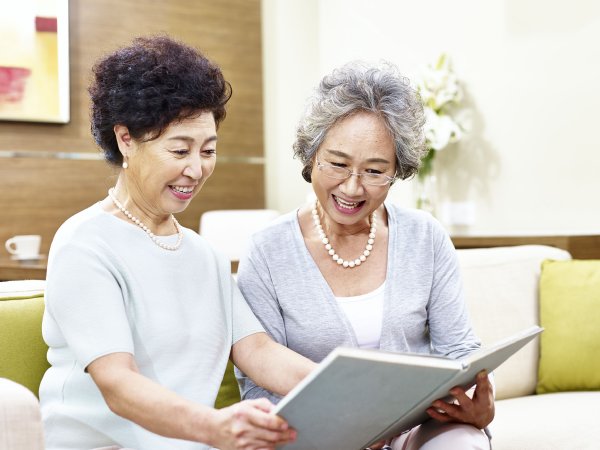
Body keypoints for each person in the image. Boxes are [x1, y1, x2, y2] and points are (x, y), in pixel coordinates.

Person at [39, 35, 316, 450]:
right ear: (126, 139)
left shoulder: (204, 255)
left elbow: (257, 350)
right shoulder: (85, 243)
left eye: (208, 150)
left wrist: (353, 386)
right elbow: (118, 383)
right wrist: (215, 427)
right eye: (180, 149)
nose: (196, 169)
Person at [235, 61, 495, 449]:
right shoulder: (268, 250)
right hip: (316, 432)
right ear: (311, 157)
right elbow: (258, 384)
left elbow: (458, 350)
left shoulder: (425, 236)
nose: (353, 188)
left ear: (397, 171)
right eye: (338, 164)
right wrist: (346, 424)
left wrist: (478, 403)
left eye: (375, 171)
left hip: (415, 426)